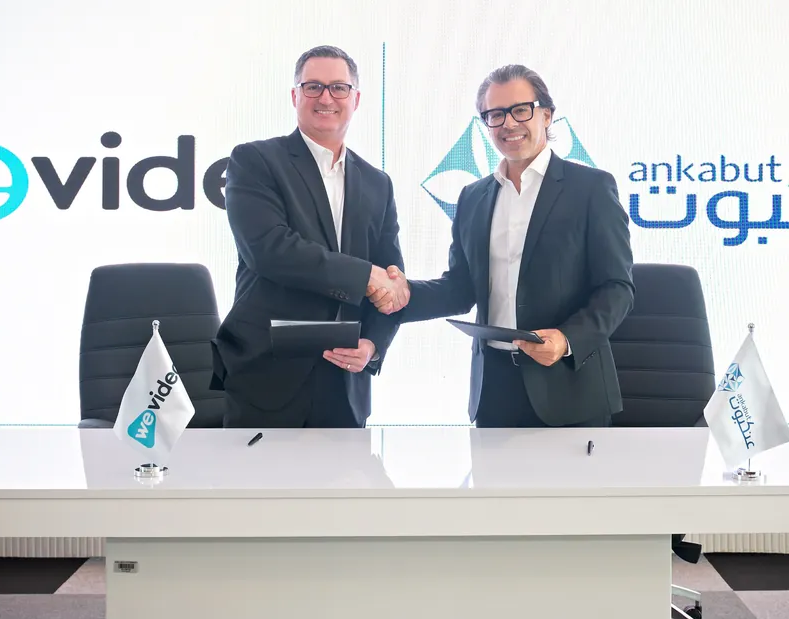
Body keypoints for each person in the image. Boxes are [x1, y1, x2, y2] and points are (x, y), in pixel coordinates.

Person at [382, 64, 634, 428]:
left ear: (546, 115)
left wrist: (567, 339)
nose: (508, 124)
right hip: (493, 389)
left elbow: (617, 288)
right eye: (495, 114)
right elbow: (460, 289)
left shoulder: (590, 189)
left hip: (568, 388)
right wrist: (401, 294)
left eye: (520, 110)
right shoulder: (473, 197)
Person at [212, 45, 409, 429]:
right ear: (295, 96)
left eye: (339, 88)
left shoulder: (377, 183)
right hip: (267, 373)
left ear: (355, 99)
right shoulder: (255, 160)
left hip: (346, 380)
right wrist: (366, 276)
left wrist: (373, 345)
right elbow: (269, 249)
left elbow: (392, 278)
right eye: (313, 86)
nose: (326, 98)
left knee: (344, 472)